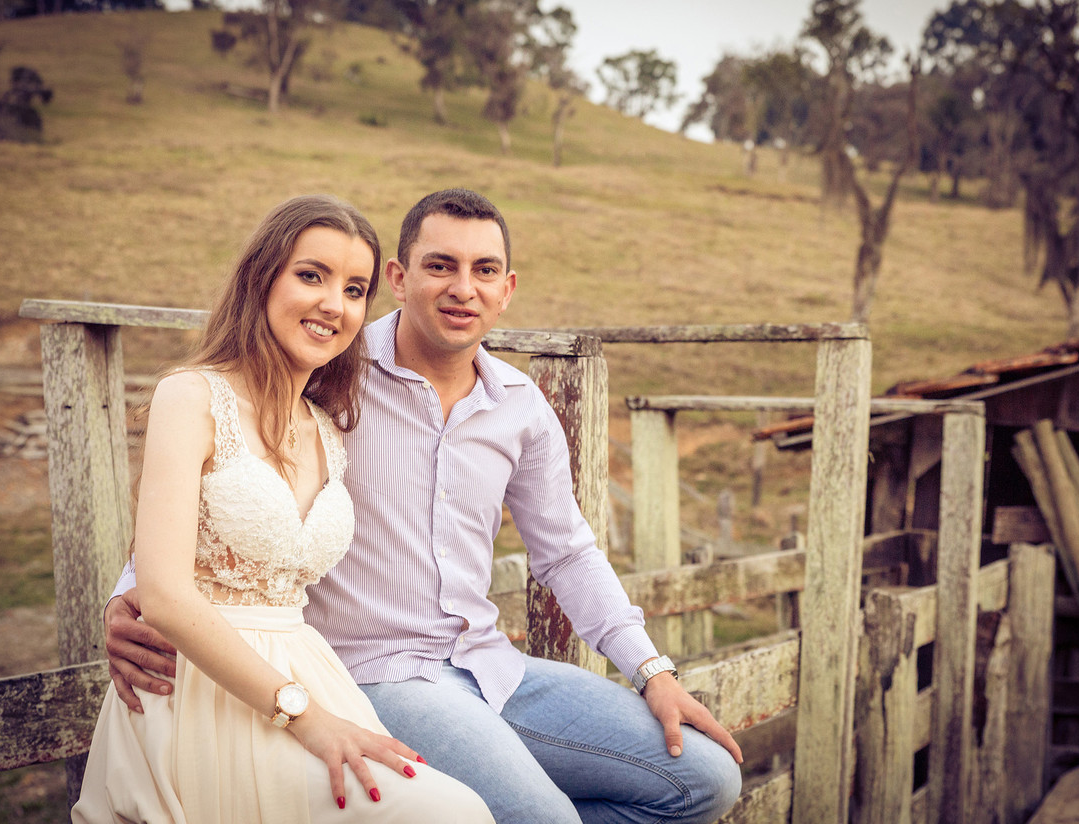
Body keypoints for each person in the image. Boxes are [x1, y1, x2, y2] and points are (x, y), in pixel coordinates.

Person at [104, 189, 744, 824]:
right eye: (440, 266)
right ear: (399, 278)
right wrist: (130, 593)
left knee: (706, 780)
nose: (463, 288)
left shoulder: (520, 406)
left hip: (487, 664)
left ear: (507, 288)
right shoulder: (331, 370)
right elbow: (230, 477)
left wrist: (652, 669)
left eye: (483, 270)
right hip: (372, 674)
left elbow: (568, 552)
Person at [72, 194, 493, 824]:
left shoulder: (328, 427)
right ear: (261, 278)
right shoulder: (190, 397)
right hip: (202, 692)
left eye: (355, 289)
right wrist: (122, 597)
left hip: (313, 671)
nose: (334, 304)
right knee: (452, 815)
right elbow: (162, 586)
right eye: (311, 275)